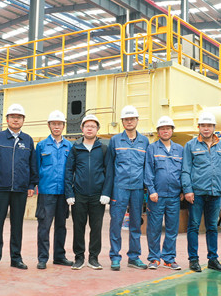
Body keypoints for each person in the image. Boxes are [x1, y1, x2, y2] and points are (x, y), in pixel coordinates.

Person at [0, 104, 38, 271]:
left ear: (23, 120)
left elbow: (32, 164)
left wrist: (31, 184)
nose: (16, 119)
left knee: (17, 225)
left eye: (19, 117)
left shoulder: (28, 140)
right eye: (13, 116)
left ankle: (16, 258)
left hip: (20, 189)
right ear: (7, 119)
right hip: (0, 188)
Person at [181, 111, 221, 273]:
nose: (206, 128)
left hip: (215, 193)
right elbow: (186, 169)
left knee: (212, 227)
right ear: (199, 127)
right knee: (193, 226)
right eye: (203, 125)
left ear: (214, 127)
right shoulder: (190, 145)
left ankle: (213, 259)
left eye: (209, 125)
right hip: (197, 193)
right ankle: (193, 260)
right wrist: (187, 190)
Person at [104, 105, 150, 271]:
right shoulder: (115, 140)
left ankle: (134, 257)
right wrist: (108, 191)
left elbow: (147, 166)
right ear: (122, 122)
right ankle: (115, 257)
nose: (129, 122)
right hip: (119, 187)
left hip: (137, 188)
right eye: (126, 119)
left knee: (136, 223)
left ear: (137, 120)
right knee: (116, 223)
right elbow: (109, 166)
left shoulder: (144, 141)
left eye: (132, 119)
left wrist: (147, 188)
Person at [64, 115, 110, 270]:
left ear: (97, 129)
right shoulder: (75, 148)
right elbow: (68, 171)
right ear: (82, 129)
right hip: (79, 195)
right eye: (87, 126)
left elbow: (109, 172)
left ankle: (93, 258)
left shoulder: (103, 149)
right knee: (79, 227)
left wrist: (106, 192)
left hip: (98, 196)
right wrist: (69, 193)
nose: (90, 129)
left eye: (93, 126)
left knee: (96, 228)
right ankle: (79, 258)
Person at [35, 110, 73, 269]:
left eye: (59, 124)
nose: (56, 127)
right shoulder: (41, 145)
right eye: (54, 124)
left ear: (64, 126)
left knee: (61, 226)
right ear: (49, 125)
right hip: (46, 192)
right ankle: (42, 258)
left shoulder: (69, 146)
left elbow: (72, 169)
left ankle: (59, 257)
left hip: (63, 192)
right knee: (44, 226)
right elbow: (36, 167)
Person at [144, 116, 184, 270]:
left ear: (172, 131)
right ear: (158, 132)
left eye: (168, 128)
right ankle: (154, 258)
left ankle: (169, 258)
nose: (165, 131)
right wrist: (151, 190)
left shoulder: (179, 149)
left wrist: (183, 190)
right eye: (162, 129)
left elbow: (184, 171)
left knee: (172, 229)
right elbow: (148, 171)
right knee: (154, 228)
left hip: (174, 196)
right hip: (157, 196)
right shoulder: (152, 149)